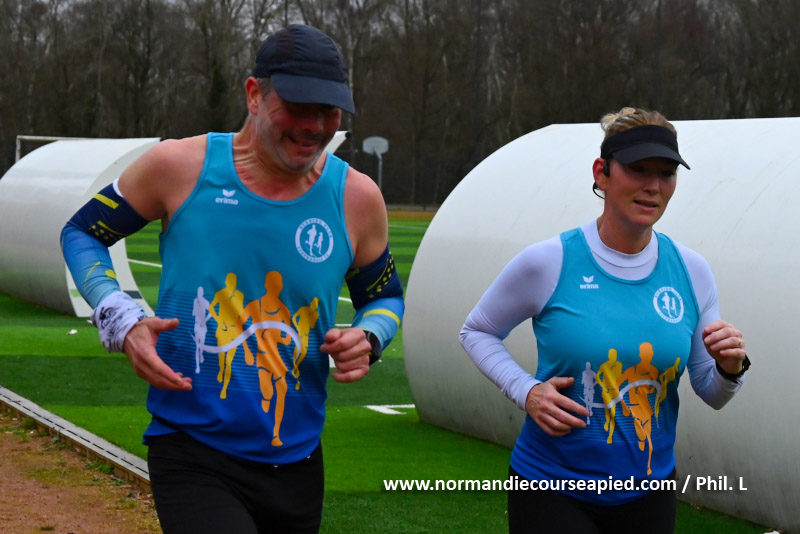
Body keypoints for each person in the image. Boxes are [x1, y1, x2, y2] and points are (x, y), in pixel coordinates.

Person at [60, 24, 404, 534]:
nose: (314, 126)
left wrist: (369, 336)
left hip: (298, 457)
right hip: (191, 449)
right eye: (298, 106)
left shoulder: (356, 197)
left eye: (329, 110)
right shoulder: (179, 166)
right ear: (254, 95)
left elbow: (385, 298)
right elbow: (82, 232)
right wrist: (120, 316)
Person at [459, 107, 750, 534]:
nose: (653, 186)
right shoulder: (549, 261)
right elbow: (477, 331)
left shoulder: (692, 271)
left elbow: (712, 392)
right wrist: (527, 391)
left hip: (649, 492)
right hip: (551, 487)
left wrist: (729, 367)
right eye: (638, 169)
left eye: (666, 173)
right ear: (602, 172)